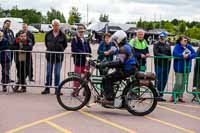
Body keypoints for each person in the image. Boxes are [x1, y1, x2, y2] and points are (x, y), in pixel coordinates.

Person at [97, 30, 137, 103]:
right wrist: (108, 58)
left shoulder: (123, 48)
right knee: (110, 76)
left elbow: (119, 62)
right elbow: (115, 51)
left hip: (127, 69)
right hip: (129, 68)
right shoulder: (125, 46)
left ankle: (110, 99)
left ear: (120, 39)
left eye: (115, 40)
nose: (115, 41)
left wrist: (106, 64)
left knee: (107, 78)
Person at [41, 19, 67, 95]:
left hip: (59, 57)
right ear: (52, 26)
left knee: (57, 73)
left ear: (59, 26)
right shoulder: (48, 34)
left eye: (57, 25)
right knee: (49, 73)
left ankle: (57, 89)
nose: (56, 27)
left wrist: (60, 48)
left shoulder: (63, 35)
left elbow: (65, 45)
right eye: (54, 25)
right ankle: (47, 88)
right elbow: (46, 43)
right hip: (49, 57)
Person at [171, 36, 196, 102]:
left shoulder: (189, 46)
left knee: (183, 83)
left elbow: (194, 53)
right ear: (180, 41)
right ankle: (173, 96)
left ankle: (180, 96)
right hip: (179, 67)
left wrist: (188, 56)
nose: (186, 41)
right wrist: (182, 56)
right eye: (184, 40)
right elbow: (174, 54)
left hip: (187, 68)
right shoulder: (177, 46)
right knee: (178, 83)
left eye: (186, 40)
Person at [71, 25, 91, 90]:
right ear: (77, 32)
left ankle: (85, 90)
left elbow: (89, 49)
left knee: (86, 77)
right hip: (78, 61)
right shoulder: (74, 39)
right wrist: (84, 54)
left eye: (82, 32)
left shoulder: (86, 39)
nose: (81, 33)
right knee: (77, 77)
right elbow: (74, 49)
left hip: (86, 62)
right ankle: (76, 90)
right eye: (79, 32)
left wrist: (89, 55)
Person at [153, 32, 171, 101]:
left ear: (165, 37)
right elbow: (156, 53)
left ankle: (161, 94)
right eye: (161, 37)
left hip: (166, 65)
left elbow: (170, 54)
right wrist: (165, 56)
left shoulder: (168, 44)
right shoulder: (156, 44)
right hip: (159, 64)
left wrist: (169, 58)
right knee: (158, 79)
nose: (162, 38)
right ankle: (156, 94)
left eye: (163, 37)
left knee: (164, 80)